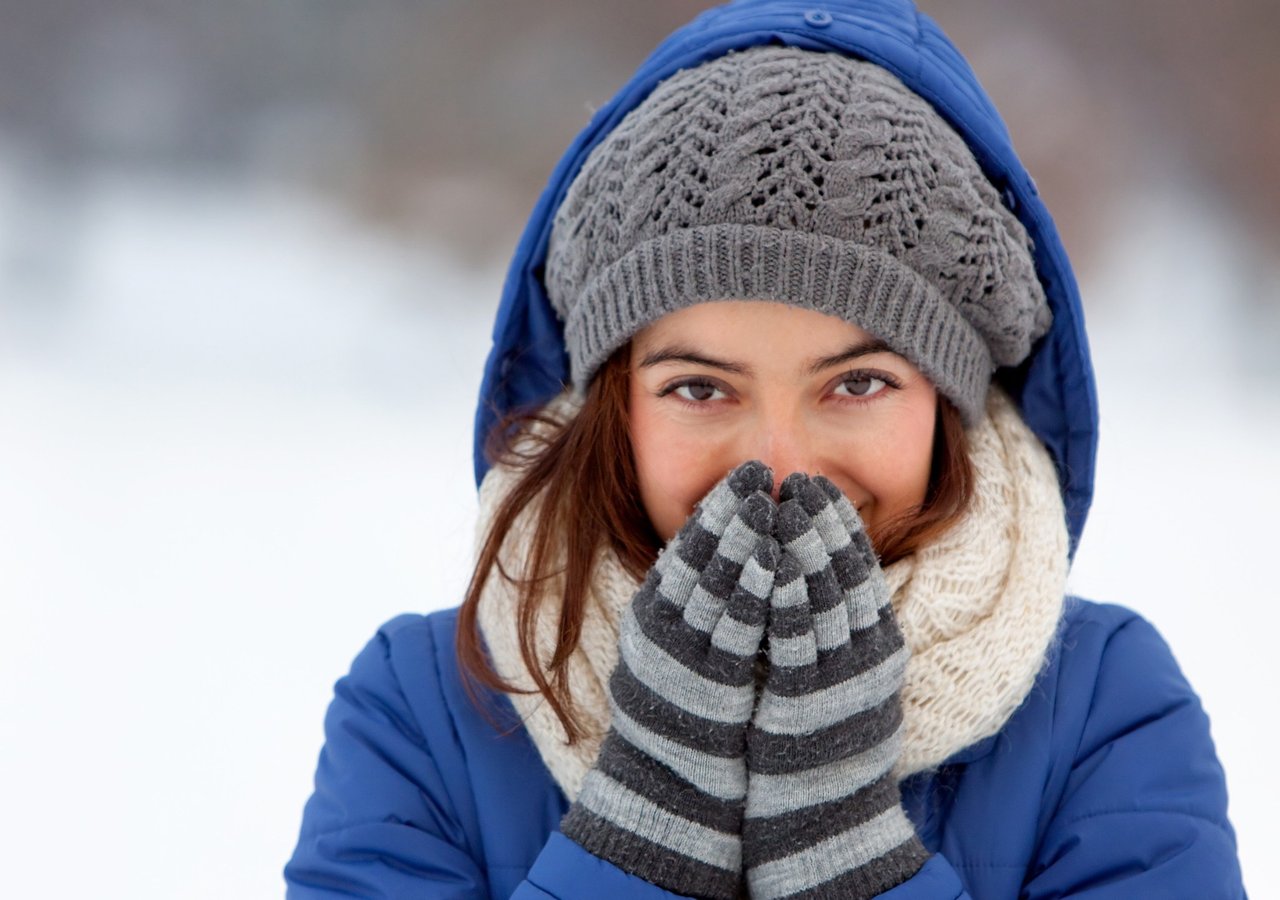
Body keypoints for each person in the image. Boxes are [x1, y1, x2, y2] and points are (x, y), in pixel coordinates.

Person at [285, 0, 1247, 897]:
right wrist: (642, 840)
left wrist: (852, 860)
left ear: (950, 406)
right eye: (700, 389)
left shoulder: (1101, 710)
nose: (780, 467)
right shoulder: (426, 710)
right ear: (611, 408)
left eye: (857, 384)